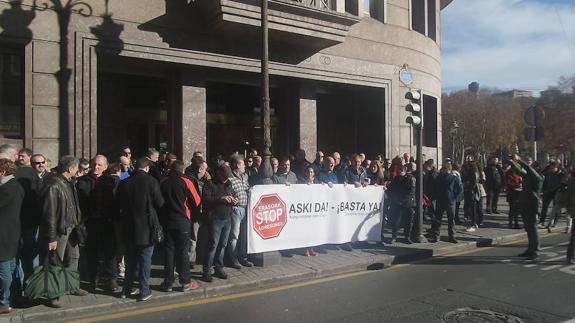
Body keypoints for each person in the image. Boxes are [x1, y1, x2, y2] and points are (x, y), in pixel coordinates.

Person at [40, 155, 88, 308]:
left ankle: (72, 286)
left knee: (74, 257)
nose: (78, 171)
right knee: (56, 261)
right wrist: (51, 236)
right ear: (70, 168)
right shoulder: (53, 185)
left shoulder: (68, 182)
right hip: (60, 229)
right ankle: (53, 294)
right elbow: (50, 213)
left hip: (72, 227)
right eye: (76, 168)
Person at [117, 157, 165, 301]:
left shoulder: (124, 183)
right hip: (147, 226)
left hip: (129, 225)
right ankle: (144, 290)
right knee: (145, 259)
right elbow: (160, 203)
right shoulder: (152, 182)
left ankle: (126, 289)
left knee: (130, 260)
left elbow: (118, 203)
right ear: (147, 168)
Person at [76, 155, 120, 293]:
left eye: (100, 165)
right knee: (91, 253)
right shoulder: (82, 181)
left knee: (110, 252)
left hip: (107, 221)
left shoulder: (112, 181)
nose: (96, 167)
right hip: (90, 222)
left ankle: (112, 279)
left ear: (105, 167)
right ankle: (92, 280)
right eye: (94, 164)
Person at [159, 160, 201, 293]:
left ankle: (168, 282)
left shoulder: (163, 181)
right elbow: (197, 200)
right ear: (182, 170)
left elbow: (159, 201)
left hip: (167, 220)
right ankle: (185, 282)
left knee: (169, 251)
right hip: (182, 220)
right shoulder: (186, 181)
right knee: (183, 252)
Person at [202, 165, 237, 282]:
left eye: (228, 176)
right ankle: (207, 270)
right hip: (215, 218)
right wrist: (220, 199)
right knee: (213, 245)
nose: (227, 178)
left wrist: (234, 200)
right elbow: (206, 200)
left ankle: (219, 267)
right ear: (219, 174)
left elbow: (232, 194)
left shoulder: (228, 184)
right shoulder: (210, 183)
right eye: (225, 176)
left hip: (227, 218)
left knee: (223, 244)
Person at [0, 159, 25, 314]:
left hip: (3, 234)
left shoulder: (7, 189)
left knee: (4, 269)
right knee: (10, 266)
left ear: (2, 172)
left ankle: (4, 302)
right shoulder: (16, 185)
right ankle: (12, 298)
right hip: (12, 232)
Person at [508, 154, 543, 260]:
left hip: (532, 205)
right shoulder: (528, 177)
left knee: (533, 228)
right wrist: (512, 162)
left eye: (533, 166)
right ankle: (530, 249)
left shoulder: (538, 178)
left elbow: (528, 169)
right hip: (525, 204)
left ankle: (535, 249)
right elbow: (519, 171)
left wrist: (520, 160)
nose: (530, 167)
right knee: (528, 228)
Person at [226, 155, 254, 269]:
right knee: (234, 236)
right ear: (237, 165)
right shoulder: (230, 178)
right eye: (243, 164)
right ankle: (233, 259)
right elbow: (226, 191)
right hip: (236, 209)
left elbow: (247, 188)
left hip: (245, 208)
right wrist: (231, 198)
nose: (245, 166)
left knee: (244, 235)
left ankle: (243, 258)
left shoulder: (245, 176)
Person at [429, 163, 462, 243]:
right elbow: (434, 187)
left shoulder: (454, 177)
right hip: (441, 200)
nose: (443, 171)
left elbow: (459, 189)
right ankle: (437, 236)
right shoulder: (439, 177)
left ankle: (451, 236)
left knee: (450, 220)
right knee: (439, 219)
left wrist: (454, 197)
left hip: (449, 201)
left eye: (445, 169)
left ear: (448, 170)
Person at [386, 165, 416, 244]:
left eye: (401, 172)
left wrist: (402, 200)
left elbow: (411, 191)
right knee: (396, 221)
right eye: (398, 172)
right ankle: (394, 237)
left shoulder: (410, 178)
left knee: (408, 221)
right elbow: (392, 189)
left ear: (404, 172)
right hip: (398, 203)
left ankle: (407, 237)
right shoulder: (396, 178)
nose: (399, 174)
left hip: (407, 203)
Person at [299, 165, 319, 256]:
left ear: (314, 173)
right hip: (306, 208)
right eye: (308, 172)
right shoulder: (302, 181)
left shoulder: (317, 181)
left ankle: (311, 249)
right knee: (306, 229)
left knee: (313, 229)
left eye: (311, 172)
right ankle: (305, 249)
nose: (310, 174)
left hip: (314, 208)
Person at [540, 162, 565, 226]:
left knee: (556, 207)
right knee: (544, 207)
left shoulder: (560, 174)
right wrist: (544, 190)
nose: (552, 169)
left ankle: (555, 222)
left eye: (554, 168)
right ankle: (542, 221)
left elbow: (561, 183)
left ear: (557, 168)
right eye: (551, 167)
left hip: (556, 192)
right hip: (548, 191)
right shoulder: (548, 173)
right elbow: (542, 174)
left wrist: (557, 189)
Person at [505, 164, 523, 229]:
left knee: (517, 210)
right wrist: (517, 185)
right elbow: (508, 183)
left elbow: (521, 181)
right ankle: (510, 223)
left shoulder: (519, 174)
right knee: (512, 209)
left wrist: (520, 184)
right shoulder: (508, 174)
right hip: (511, 193)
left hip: (518, 194)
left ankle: (516, 224)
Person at [565, 166, 575, 264]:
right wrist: (569, 210)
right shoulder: (572, 181)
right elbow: (568, 197)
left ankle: (570, 255)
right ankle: (570, 256)